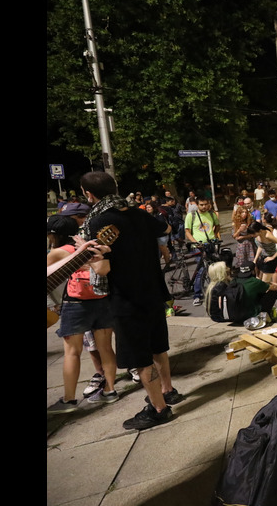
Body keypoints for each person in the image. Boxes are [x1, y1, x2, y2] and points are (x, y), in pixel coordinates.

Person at [81, 171, 183, 431]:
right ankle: (168, 390)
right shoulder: (138, 213)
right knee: (158, 346)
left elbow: (103, 269)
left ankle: (159, 408)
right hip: (153, 291)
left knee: (140, 356)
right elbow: (167, 227)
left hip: (127, 298)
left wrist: (91, 257)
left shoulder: (99, 222)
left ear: (88, 194)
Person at [46, 215, 119, 413]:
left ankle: (69, 399)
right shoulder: (92, 249)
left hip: (76, 302)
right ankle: (110, 390)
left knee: (72, 351)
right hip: (101, 299)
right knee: (105, 348)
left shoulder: (60, 251)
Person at [184, 197, 220, 306]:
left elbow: (217, 226)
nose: (204, 207)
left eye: (205, 204)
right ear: (197, 205)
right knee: (202, 270)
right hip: (198, 246)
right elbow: (187, 231)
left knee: (213, 268)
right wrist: (195, 242)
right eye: (201, 205)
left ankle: (215, 291)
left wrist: (214, 236)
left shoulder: (212, 214)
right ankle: (197, 295)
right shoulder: (192, 215)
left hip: (210, 245)